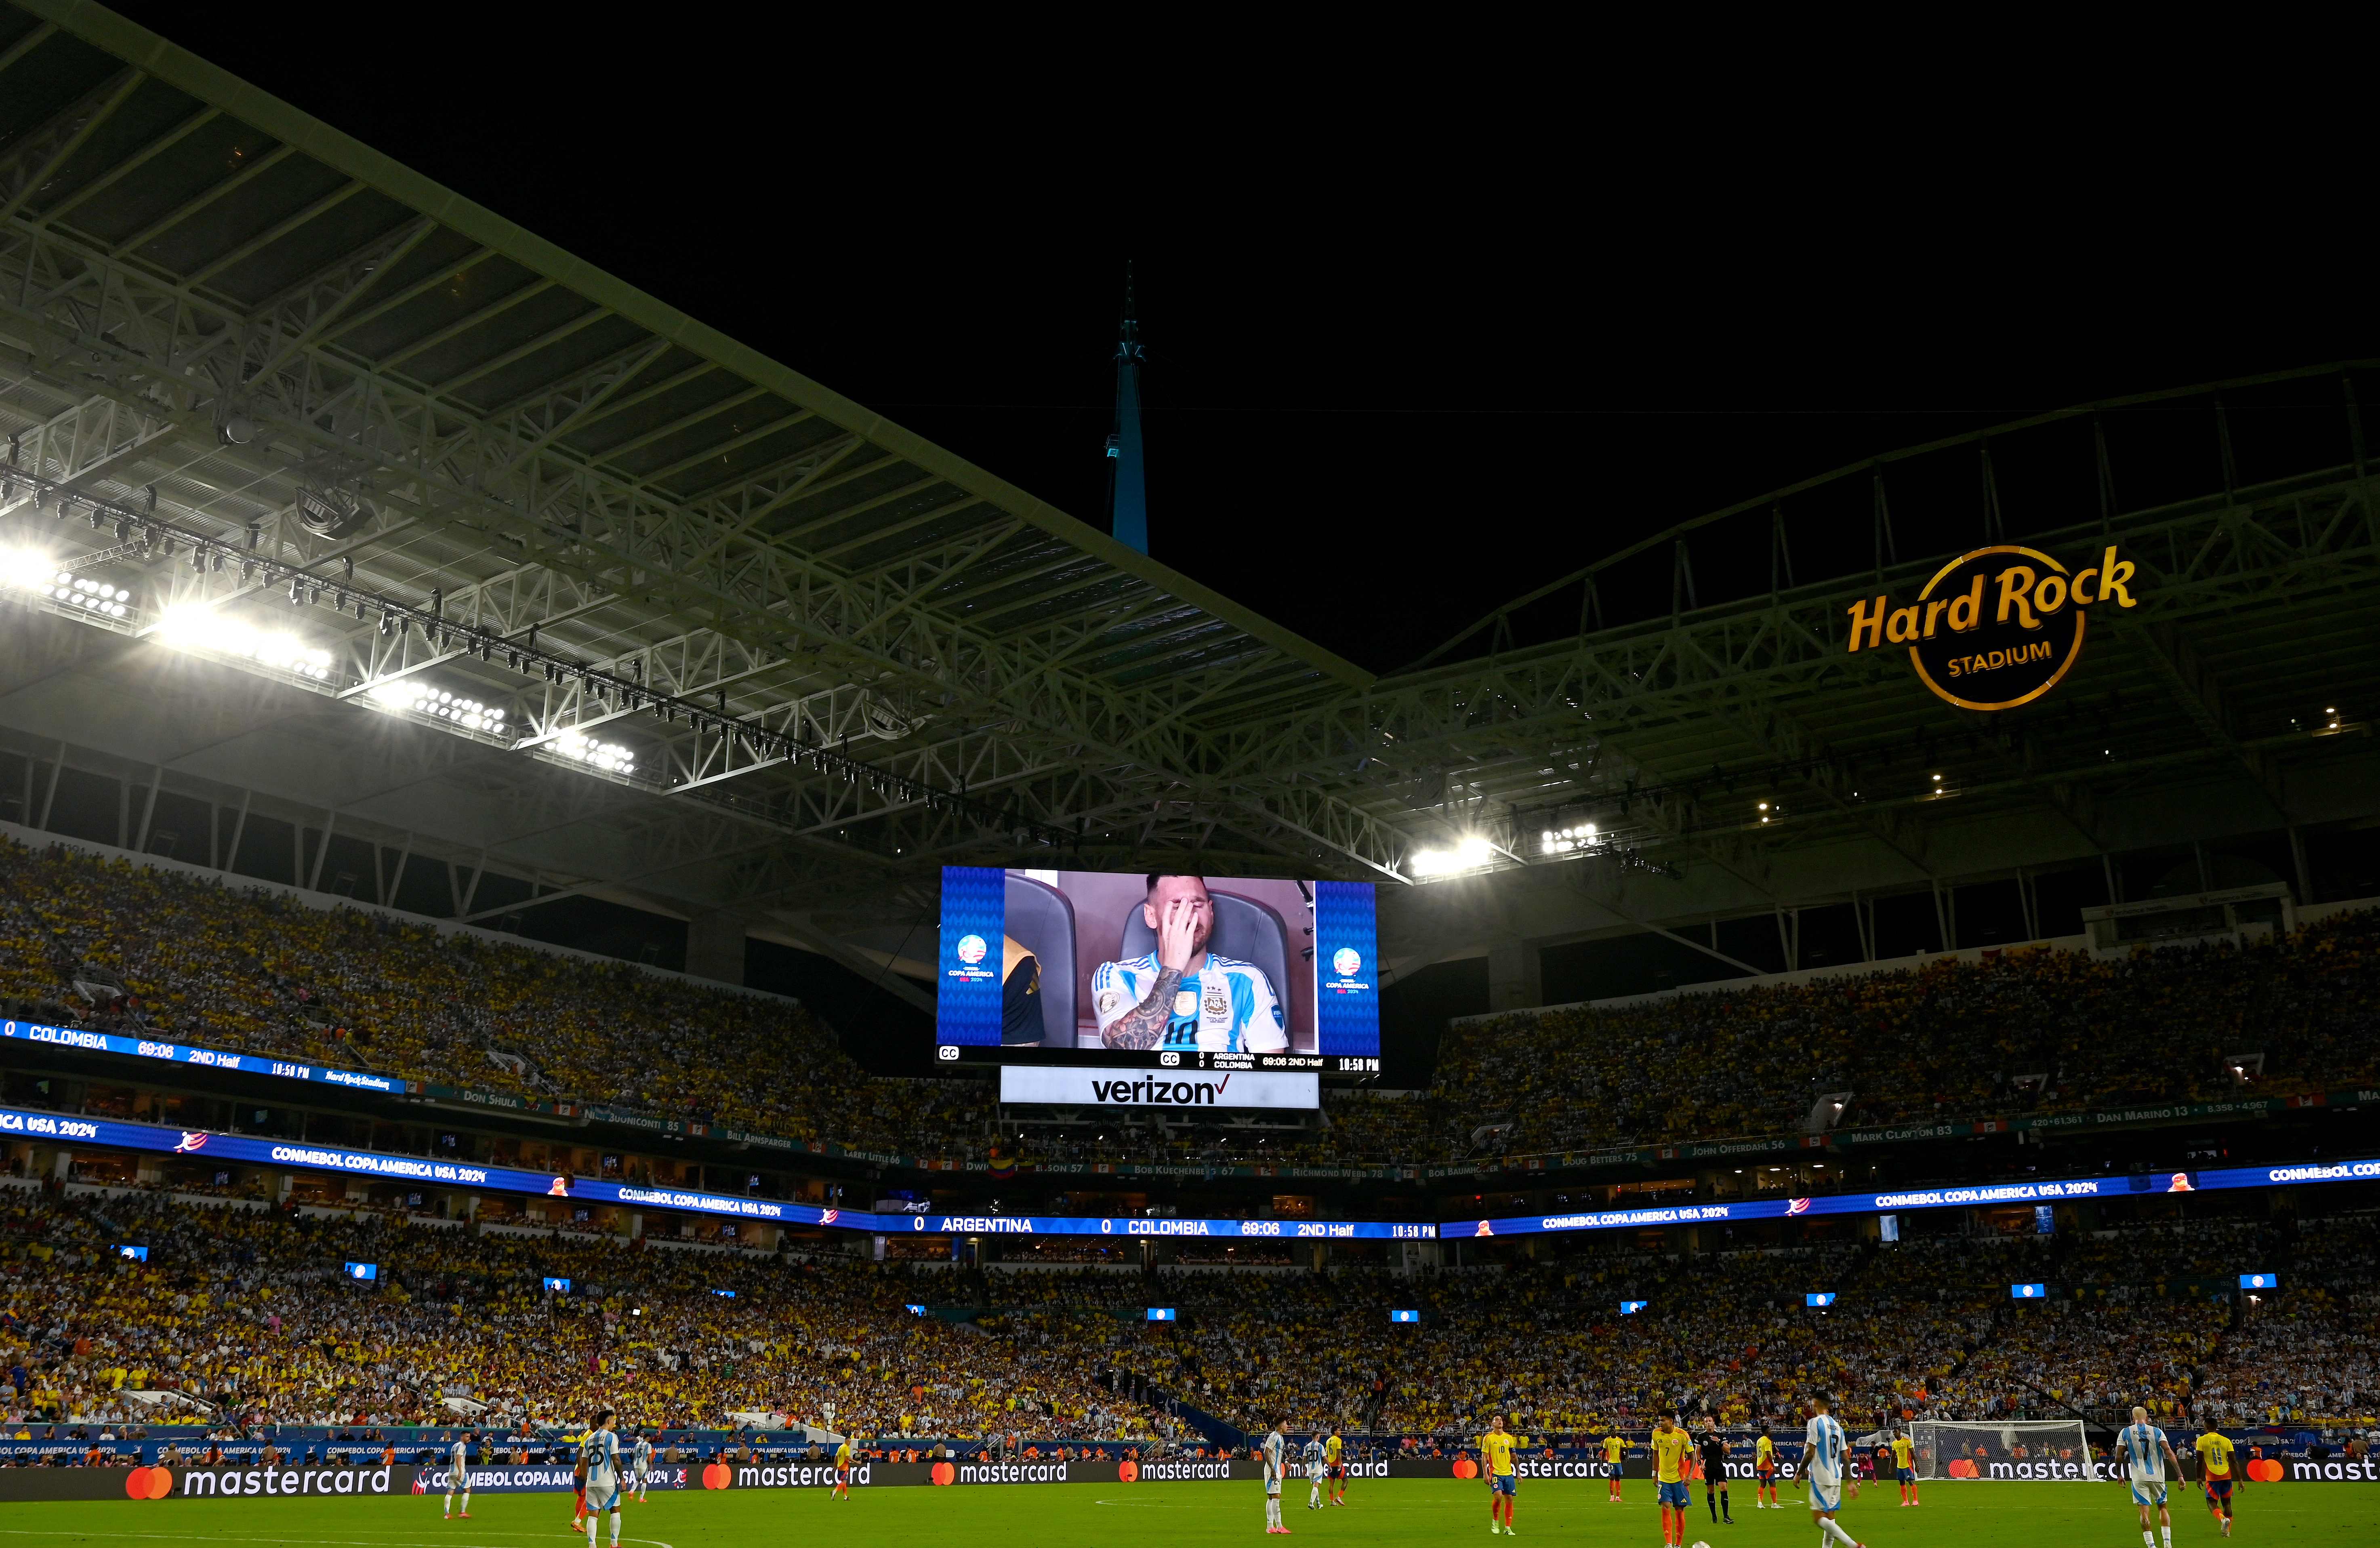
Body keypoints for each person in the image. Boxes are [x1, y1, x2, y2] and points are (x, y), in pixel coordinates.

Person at [1093, 875, 1287, 1053]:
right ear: (1151, 916)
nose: (1190, 917)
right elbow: (1124, 1048)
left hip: (1223, 1089)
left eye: (1198, 905)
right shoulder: (1117, 975)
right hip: (1145, 1089)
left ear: (1211, 912)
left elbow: (1272, 1073)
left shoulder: (1248, 980)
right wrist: (1174, 967)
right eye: (1178, 907)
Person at [1803, 1396, 1863, 1548]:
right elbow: (1846, 1457)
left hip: (1820, 1476)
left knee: (1818, 1518)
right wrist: (1850, 1482)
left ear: (1815, 1403)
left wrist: (1799, 1473)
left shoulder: (1814, 1423)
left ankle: (1854, 1546)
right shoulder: (1838, 1427)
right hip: (1836, 1477)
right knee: (1830, 1518)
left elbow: (1810, 1452)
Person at [2121, 1407, 2184, 1548]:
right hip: (2158, 1477)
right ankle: (2167, 1542)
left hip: (2139, 1478)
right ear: (2147, 1418)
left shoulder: (2126, 1432)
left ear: (2133, 1418)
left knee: (2144, 1511)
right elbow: (2169, 1452)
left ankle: (2151, 1546)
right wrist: (2180, 1475)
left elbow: (2119, 1455)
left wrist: (2120, 1475)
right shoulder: (2157, 1432)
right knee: (2162, 1507)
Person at [581, 1409, 622, 1548]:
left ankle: (592, 1545)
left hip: (591, 1482)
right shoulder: (611, 1437)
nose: (614, 1424)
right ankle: (614, 1544)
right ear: (609, 1421)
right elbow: (616, 1459)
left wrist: (585, 1475)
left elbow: (584, 1460)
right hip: (607, 1481)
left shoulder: (589, 1439)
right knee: (615, 1511)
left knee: (593, 1515)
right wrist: (622, 1478)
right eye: (613, 1421)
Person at [1652, 1415, 1693, 1548]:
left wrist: (1690, 1474)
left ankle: (1678, 1544)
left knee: (1679, 1509)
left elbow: (1693, 1455)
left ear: (1671, 1421)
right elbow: (1655, 1454)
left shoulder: (1683, 1435)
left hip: (1679, 1479)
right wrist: (1654, 1474)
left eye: (1663, 1421)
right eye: (1660, 1421)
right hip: (1663, 1478)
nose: (1661, 1423)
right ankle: (1669, 1543)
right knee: (1665, 1506)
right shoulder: (1656, 1433)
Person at [2194, 1416, 2235, 1538]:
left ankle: (2222, 1519)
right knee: (2227, 1503)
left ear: (2206, 1427)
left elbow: (2199, 1461)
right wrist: (2241, 1479)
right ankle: (2227, 1532)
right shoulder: (2226, 1440)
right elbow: (2234, 1461)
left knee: (2211, 1502)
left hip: (2212, 1476)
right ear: (2217, 1427)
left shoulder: (2202, 1440)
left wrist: (2198, 1477)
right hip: (2227, 1474)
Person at [1482, 1413, 1518, 1535]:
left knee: (1510, 1499)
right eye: (1497, 1420)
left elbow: (1514, 1456)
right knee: (1498, 1497)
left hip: (1508, 1473)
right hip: (1496, 1472)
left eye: (1501, 1420)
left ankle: (1508, 1528)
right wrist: (1485, 1474)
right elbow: (1485, 1457)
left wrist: (1518, 1473)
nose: (1500, 1421)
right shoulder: (1488, 1438)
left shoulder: (1509, 1438)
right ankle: (1496, 1520)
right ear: (1492, 1424)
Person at [1700, 1419, 1734, 1525]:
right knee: (1711, 1491)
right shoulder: (1701, 1437)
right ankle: (1714, 1516)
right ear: (1704, 1424)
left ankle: (1726, 1517)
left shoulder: (1721, 1435)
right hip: (1708, 1466)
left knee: (1724, 1488)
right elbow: (1697, 1452)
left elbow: (1728, 1451)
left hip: (1719, 1465)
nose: (1709, 1423)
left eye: (1710, 1421)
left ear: (1713, 1423)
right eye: (1706, 1422)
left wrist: (1719, 1443)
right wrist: (1699, 1464)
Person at [1262, 1417, 1291, 1534]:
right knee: (1276, 1496)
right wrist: (1273, 1469)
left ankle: (1270, 1527)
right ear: (1281, 1427)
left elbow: (1279, 1453)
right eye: (1286, 1424)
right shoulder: (1274, 1436)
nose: (1287, 1426)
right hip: (1273, 1470)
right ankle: (1279, 1526)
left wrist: (1286, 1462)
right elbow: (1266, 1452)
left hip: (1277, 1469)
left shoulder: (1280, 1438)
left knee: (1271, 1498)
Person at [443, 1430, 471, 1519]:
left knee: (450, 1492)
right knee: (467, 1491)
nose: (469, 1439)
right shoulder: (462, 1446)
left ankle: (447, 1514)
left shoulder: (455, 1445)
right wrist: (460, 1471)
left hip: (451, 1472)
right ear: (462, 1437)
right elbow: (458, 1457)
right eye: (467, 1437)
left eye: (469, 1437)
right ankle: (463, 1512)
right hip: (460, 1472)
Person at [1754, 1424, 1779, 1509]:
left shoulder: (1759, 1441)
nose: (1771, 1431)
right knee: (1773, 1483)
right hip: (1767, 1466)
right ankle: (1774, 1504)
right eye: (1770, 1430)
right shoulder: (1768, 1441)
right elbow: (1768, 1453)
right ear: (1767, 1432)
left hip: (1759, 1465)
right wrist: (1773, 1465)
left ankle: (1760, 1503)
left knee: (1763, 1484)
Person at [1890, 1428, 1918, 1506]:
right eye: (1894, 1433)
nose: (1895, 1434)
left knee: (1911, 1482)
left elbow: (1913, 1454)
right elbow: (1893, 1456)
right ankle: (1906, 1501)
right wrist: (1891, 1467)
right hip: (1899, 1467)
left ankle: (1916, 1500)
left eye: (1896, 1432)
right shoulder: (1894, 1444)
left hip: (1907, 1466)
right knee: (1902, 1483)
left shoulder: (1907, 1441)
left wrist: (1916, 1465)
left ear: (1900, 1432)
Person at [1304, 1432, 1327, 1510]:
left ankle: (1319, 1504)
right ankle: (1311, 1503)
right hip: (1318, 1469)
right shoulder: (1320, 1446)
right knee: (1316, 1487)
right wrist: (1329, 1466)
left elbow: (1304, 1458)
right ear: (1317, 1436)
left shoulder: (1307, 1447)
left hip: (1310, 1469)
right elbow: (1325, 1458)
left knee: (1315, 1486)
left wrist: (1304, 1468)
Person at [1325, 1423, 1347, 1506]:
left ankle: (1332, 1501)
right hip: (1337, 1463)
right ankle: (1339, 1497)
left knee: (1331, 1484)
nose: (1340, 1432)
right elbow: (1339, 1451)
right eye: (1339, 1430)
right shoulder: (1338, 1440)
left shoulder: (1328, 1441)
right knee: (1346, 1481)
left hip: (1330, 1464)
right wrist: (1340, 1463)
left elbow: (1327, 1453)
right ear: (1335, 1432)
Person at [1602, 1429, 1626, 1503]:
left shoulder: (1620, 1440)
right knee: (1612, 1477)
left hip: (1618, 1462)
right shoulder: (1607, 1440)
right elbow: (1604, 1451)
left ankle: (1618, 1497)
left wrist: (1626, 1457)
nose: (1612, 1433)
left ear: (1615, 1431)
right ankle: (1612, 1496)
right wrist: (1602, 1461)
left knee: (1618, 1478)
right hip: (1611, 1462)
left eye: (1613, 1431)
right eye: (1611, 1432)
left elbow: (1625, 1449)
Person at [630, 1430, 652, 1504]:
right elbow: (649, 1457)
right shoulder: (648, 1445)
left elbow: (633, 1454)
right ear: (648, 1439)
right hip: (643, 1465)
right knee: (645, 1480)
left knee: (639, 1479)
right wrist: (651, 1465)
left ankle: (632, 1491)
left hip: (636, 1464)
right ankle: (641, 1498)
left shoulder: (637, 1445)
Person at [832, 1435, 853, 1500]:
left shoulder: (841, 1447)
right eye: (848, 1441)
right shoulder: (846, 1448)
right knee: (844, 1482)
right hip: (844, 1467)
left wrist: (835, 1466)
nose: (849, 1443)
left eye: (850, 1441)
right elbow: (848, 1458)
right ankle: (835, 1491)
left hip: (840, 1466)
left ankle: (845, 1496)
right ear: (846, 1441)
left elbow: (836, 1457)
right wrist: (856, 1461)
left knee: (844, 1482)